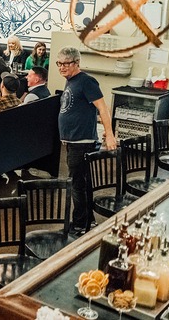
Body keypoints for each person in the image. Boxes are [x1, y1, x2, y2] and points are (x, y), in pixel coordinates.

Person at [57, 47, 116, 236]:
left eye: (66, 64)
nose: (62, 67)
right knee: (80, 183)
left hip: (82, 142)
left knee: (77, 185)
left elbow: (103, 108)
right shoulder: (70, 81)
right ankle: (87, 220)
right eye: (59, 63)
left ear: (76, 63)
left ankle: (80, 225)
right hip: (73, 141)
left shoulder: (86, 81)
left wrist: (109, 134)